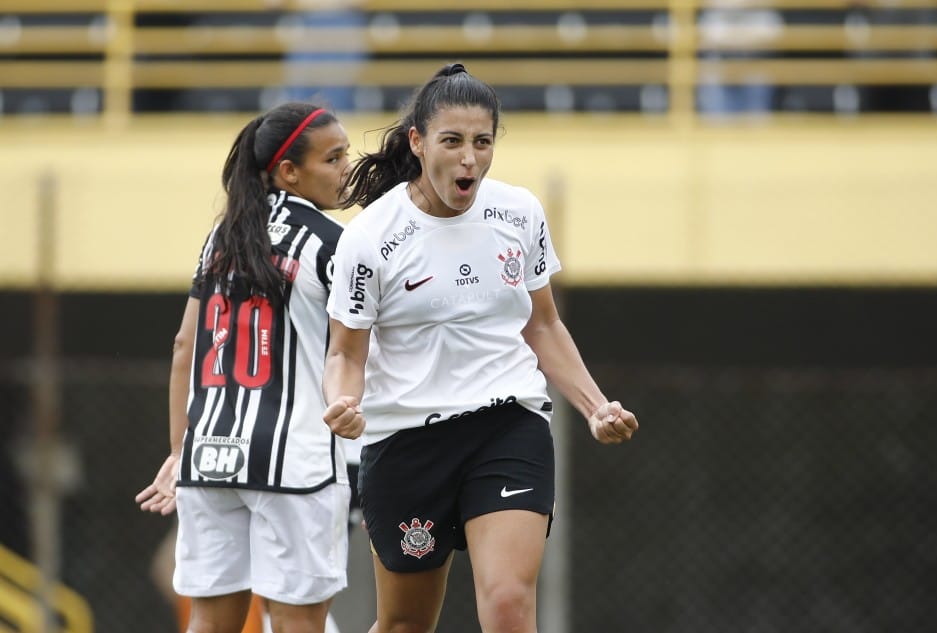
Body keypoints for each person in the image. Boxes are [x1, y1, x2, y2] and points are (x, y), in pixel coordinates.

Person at [321, 63, 639, 633]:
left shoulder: (520, 213)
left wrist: (596, 407)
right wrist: (343, 403)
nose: (469, 158)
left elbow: (542, 325)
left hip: (506, 426)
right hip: (405, 442)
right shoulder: (369, 239)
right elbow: (345, 353)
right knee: (404, 624)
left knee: (509, 604)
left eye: (482, 142)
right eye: (452, 141)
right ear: (417, 143)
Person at [134, 101, 354, 633]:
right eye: (334, 157)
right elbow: (354, 350)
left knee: (209, 622)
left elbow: (185, 345)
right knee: (297, 622)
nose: (347, 167)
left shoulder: (220, 238)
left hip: (209, 458)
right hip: (297, 461)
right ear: (288, 172)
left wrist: (179, 450)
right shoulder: (333, 244)